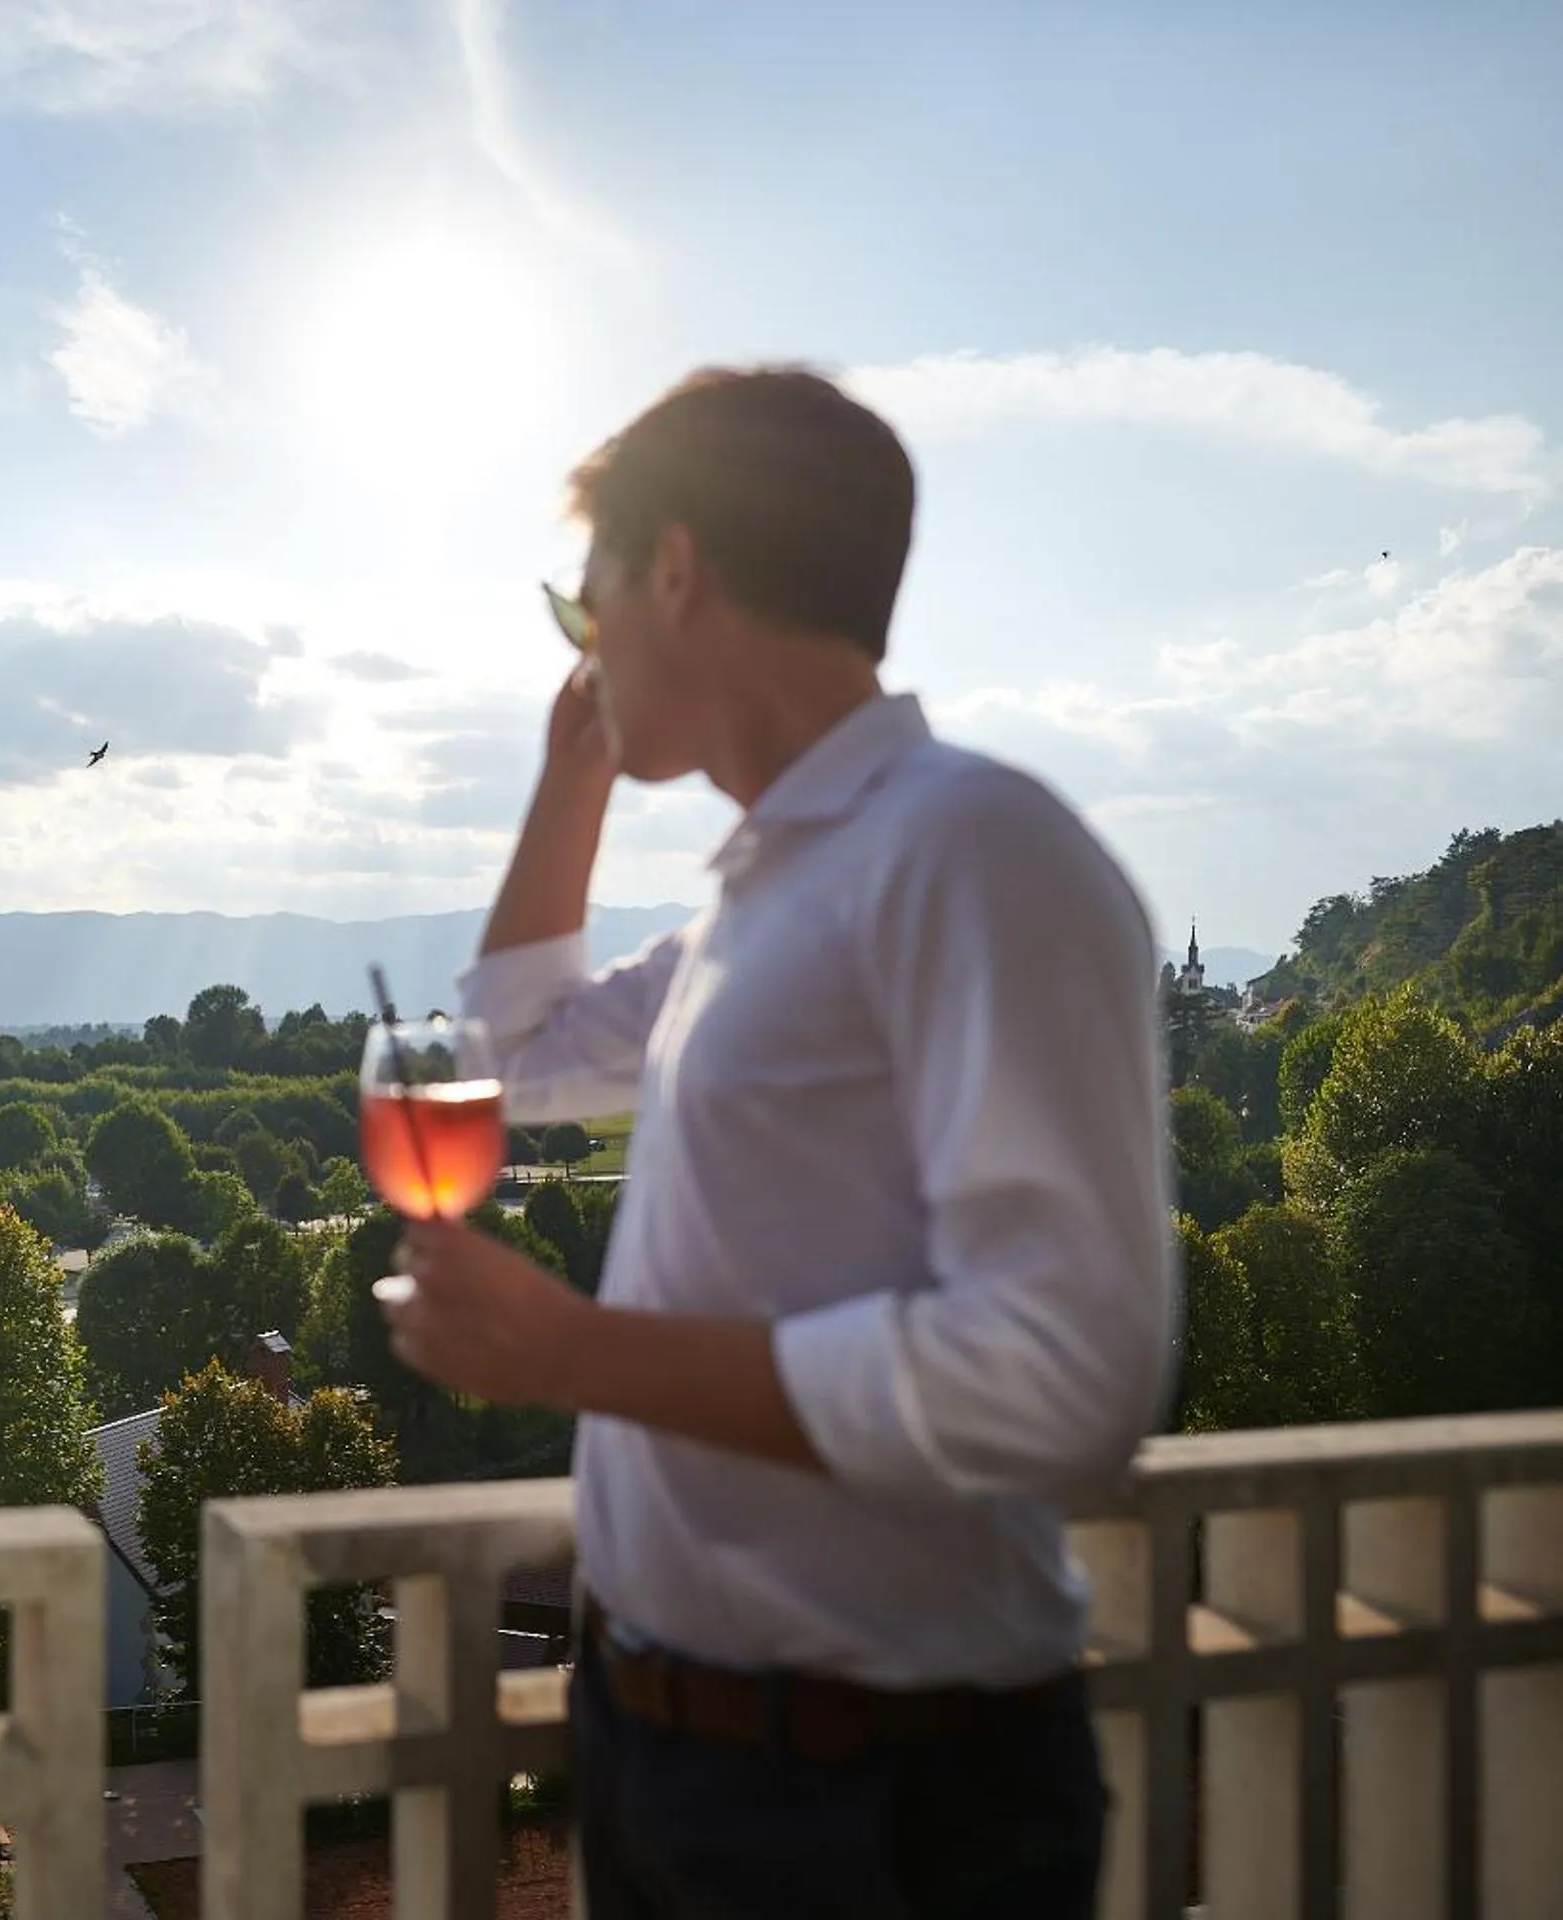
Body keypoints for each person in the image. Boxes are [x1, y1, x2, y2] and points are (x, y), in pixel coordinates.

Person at [376, 366, 1173, 1917]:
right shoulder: (769, 896)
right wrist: (575, 766)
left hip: (876, 1806)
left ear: (672, 567)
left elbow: (1066, 1377)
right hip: (680, 1756)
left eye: (585, 599)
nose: (583, 642)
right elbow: (508, 1058)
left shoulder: (972, 848)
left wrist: (574, 1356)